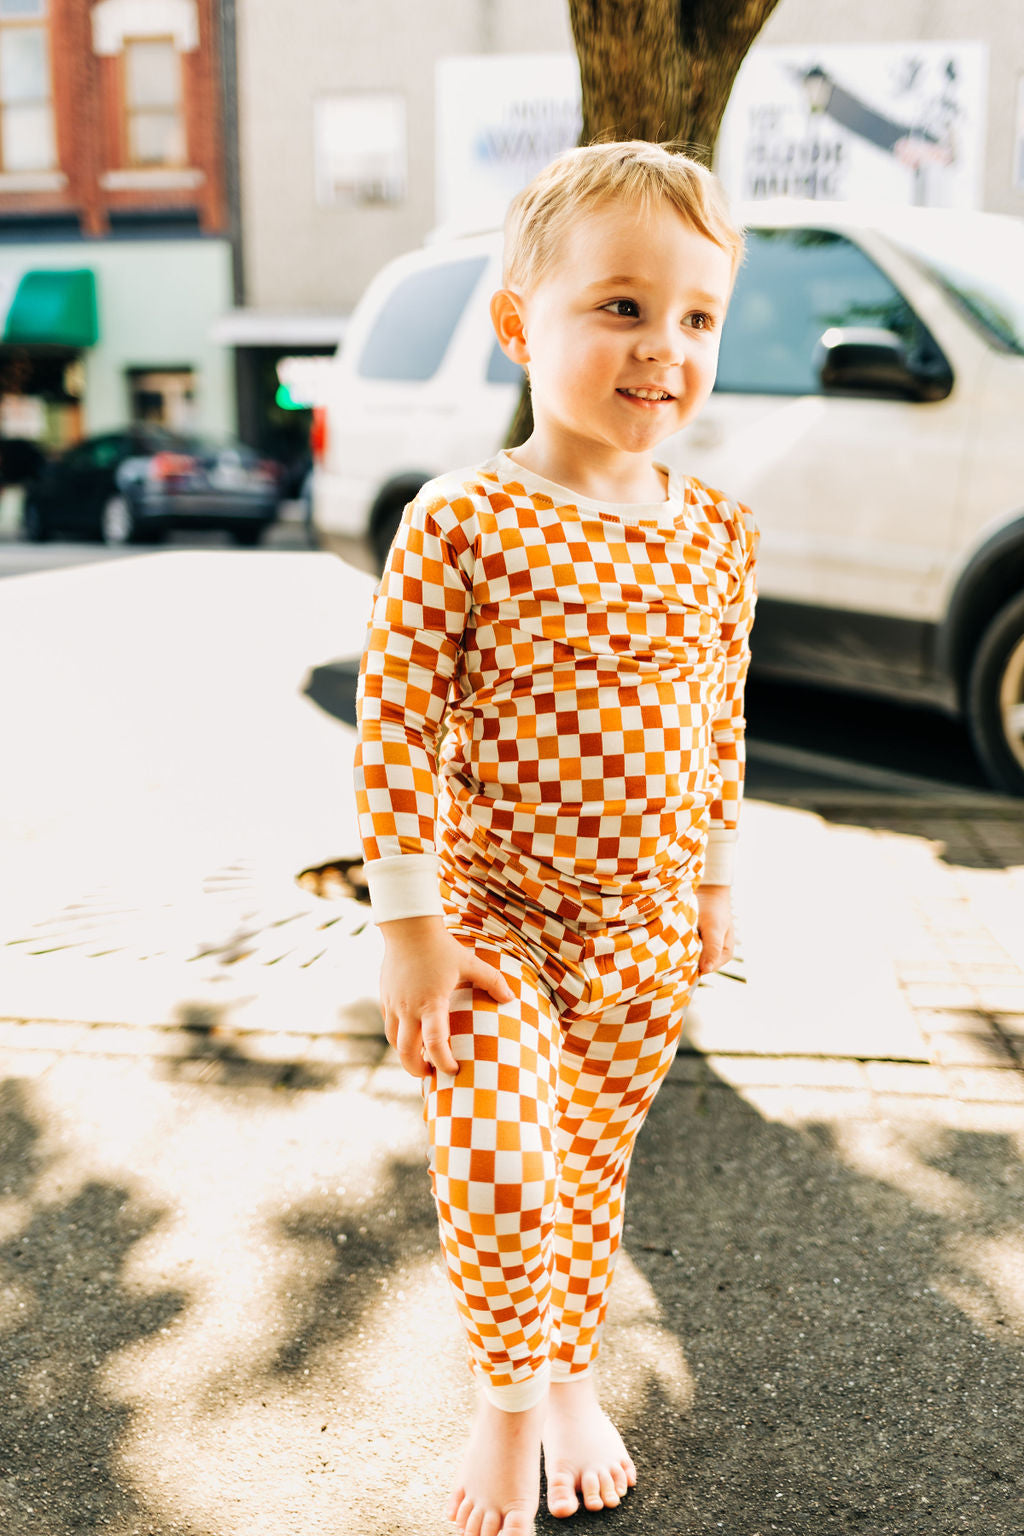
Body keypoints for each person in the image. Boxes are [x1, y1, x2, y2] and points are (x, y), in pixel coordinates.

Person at [353, 139, 757, 1535]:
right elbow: (395, 731)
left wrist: (711, 882)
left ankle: (569, 1368)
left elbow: (719, 725)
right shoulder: (463, 520)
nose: (666, 349)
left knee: (586, 1167)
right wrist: (408, 930)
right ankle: (510, 1408)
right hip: (488, 922)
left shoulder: (716, 534)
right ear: (521, 323)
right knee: (507, 1167)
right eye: (624, 307)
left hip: (643, 928)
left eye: (698, 317)